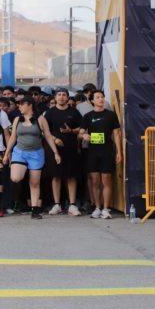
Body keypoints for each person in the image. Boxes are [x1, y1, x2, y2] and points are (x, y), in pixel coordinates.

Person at [3, 96, 61, 219]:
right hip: (20, 152)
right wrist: (7, 152)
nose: (19, 106)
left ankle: (35, 210)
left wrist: (55, 153)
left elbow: (48, 136)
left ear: (29, 105)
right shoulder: (17, 119)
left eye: (21, 104)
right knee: (15, 177)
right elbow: (13, 137)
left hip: (36, 153)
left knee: (35, 183)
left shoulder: (40, 119)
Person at [80, 90, 122, 219]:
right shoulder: (87, 116)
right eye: (98, 97)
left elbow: (116, 134)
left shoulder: (111, 115)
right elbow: (80, 132)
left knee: (107, 180)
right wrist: (84, 135)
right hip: (93, 152)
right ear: (92, 100)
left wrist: (119, 151)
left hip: (107, 151)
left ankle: (106, 208)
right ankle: (97, 207)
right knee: (95, 181)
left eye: (102, 97)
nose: (101, 99)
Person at [42, 88, 83, 216]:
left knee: (71, 176)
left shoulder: (74, 112)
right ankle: (57, 204)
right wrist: (54, 139)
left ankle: (72, 204)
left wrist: (71, 131)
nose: (61, 97)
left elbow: (81, 128)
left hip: (71, 148)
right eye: (59, 95)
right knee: (56, 176)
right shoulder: (49, 113)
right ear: (55, 97)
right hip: (54, 149)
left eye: (64, 95)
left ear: (68, 97)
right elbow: (44, 131)